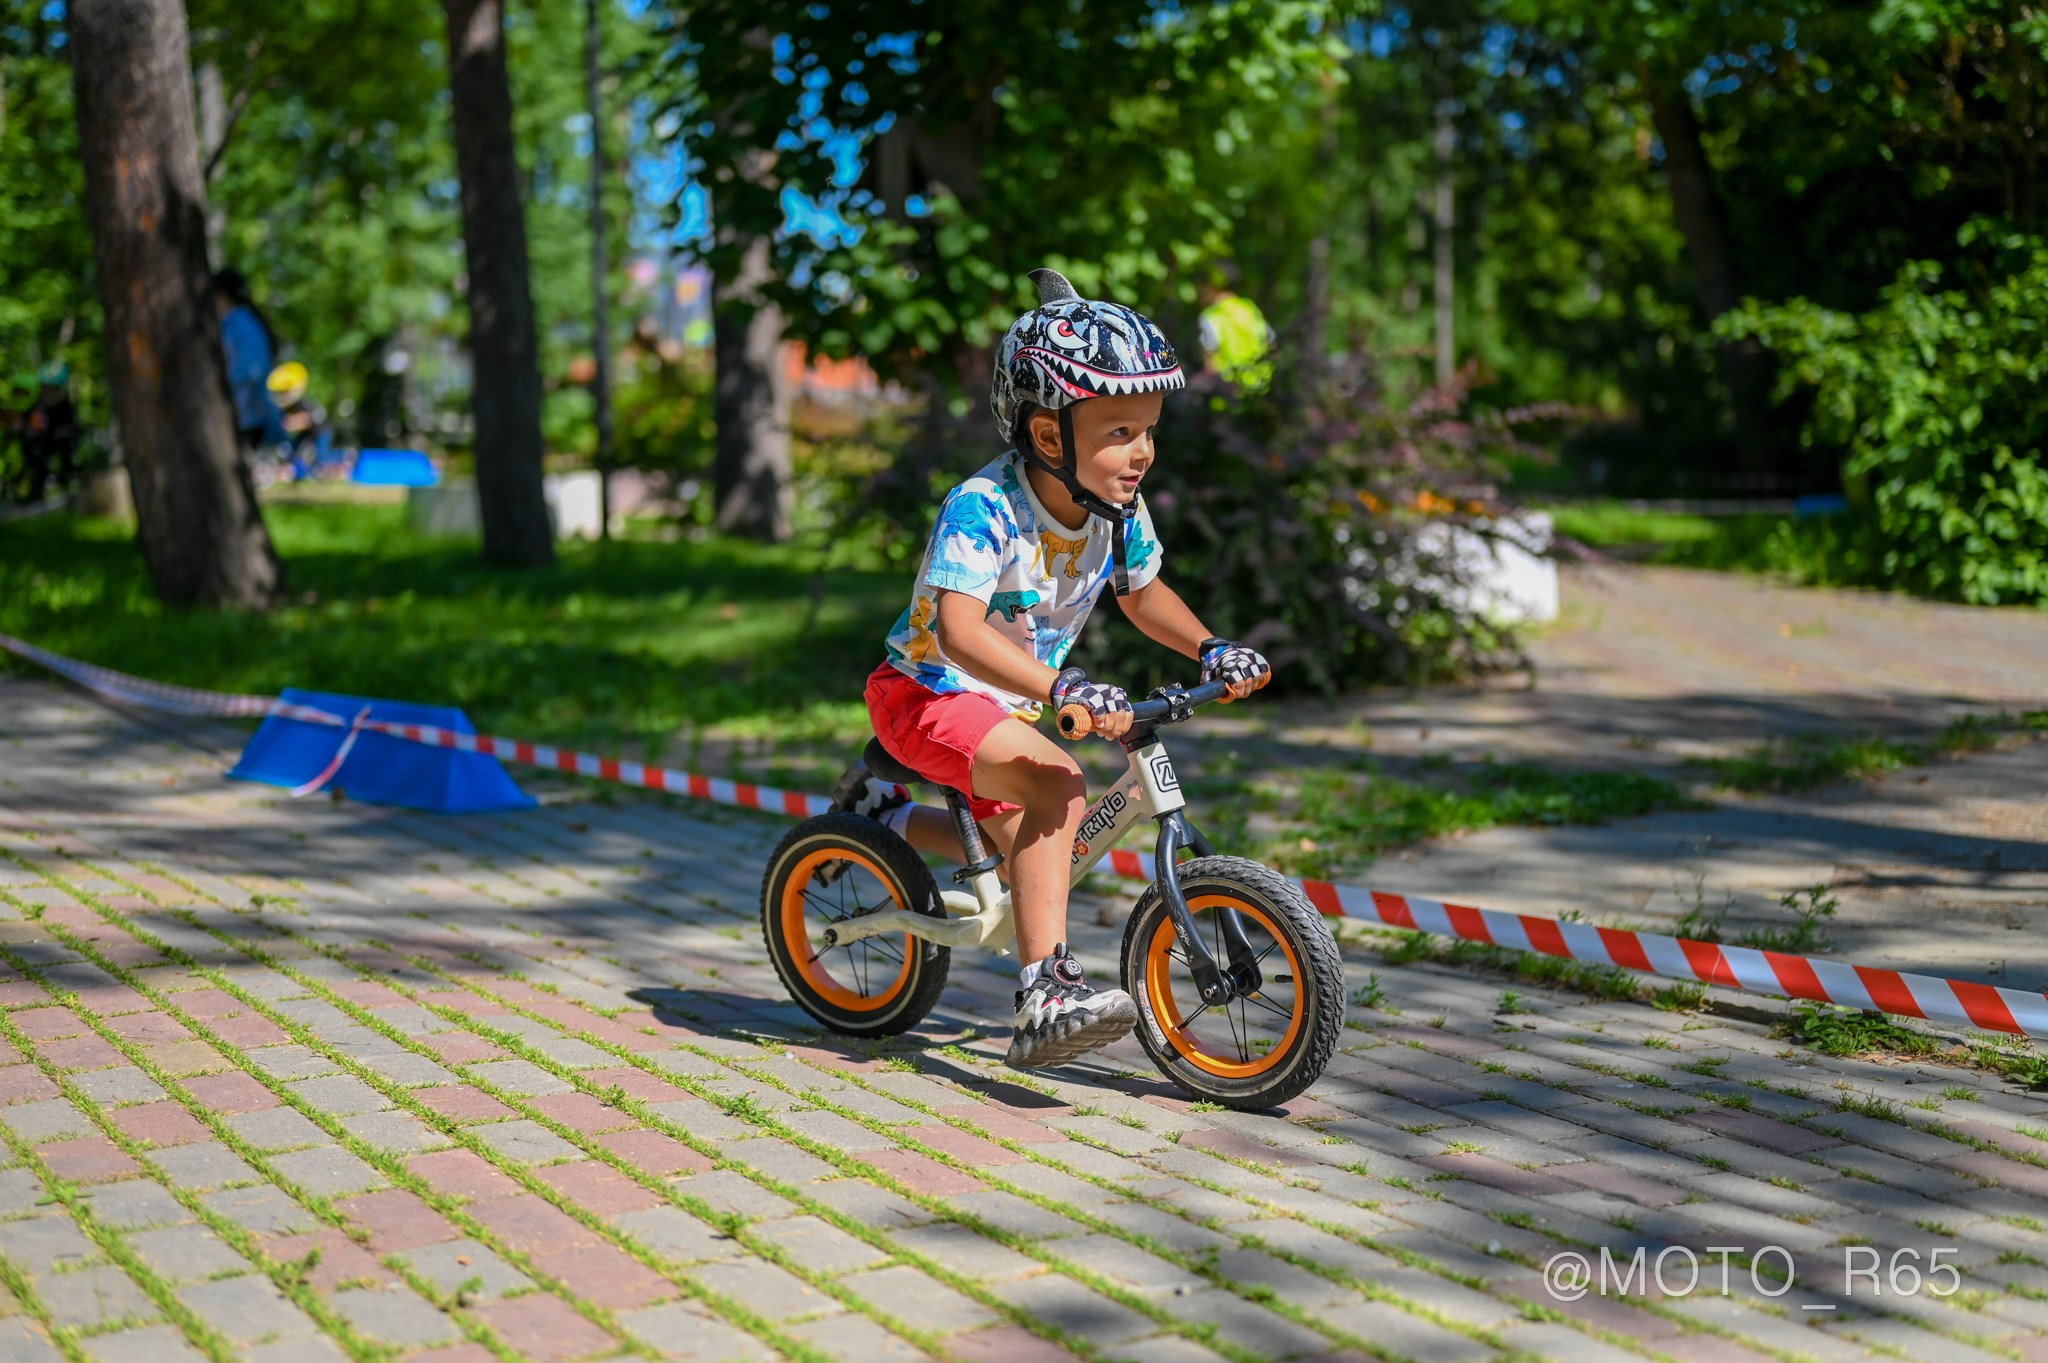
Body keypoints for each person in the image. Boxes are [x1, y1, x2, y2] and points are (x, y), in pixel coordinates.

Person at [830, 267, 1274, 1071]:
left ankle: (882, 816)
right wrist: (1063, 687)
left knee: (1034, 851)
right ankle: (1044, 994)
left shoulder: (1117, 513)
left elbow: (1144, 598)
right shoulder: (983, 506)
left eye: (1148, 429)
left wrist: (1212, 647)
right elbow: (959, 631)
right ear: (1046, 435)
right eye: (1118, 432)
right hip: (924, 691)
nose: (1140, 452)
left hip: (1005, 705)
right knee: (1059, 784)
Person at [213, 269, 287, 452]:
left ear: (221, 294)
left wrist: (216, 384)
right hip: (245, 414)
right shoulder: (236, 324)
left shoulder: (242, 325)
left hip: (249, 414)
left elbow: (252, 369)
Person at [1197, 270, 1275, 395]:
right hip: (1262, 381)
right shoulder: (1249, 307)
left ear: (1212, 287)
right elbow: (1270, 340)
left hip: (1230, 385)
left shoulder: (1212, 315)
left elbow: (1210, 356)